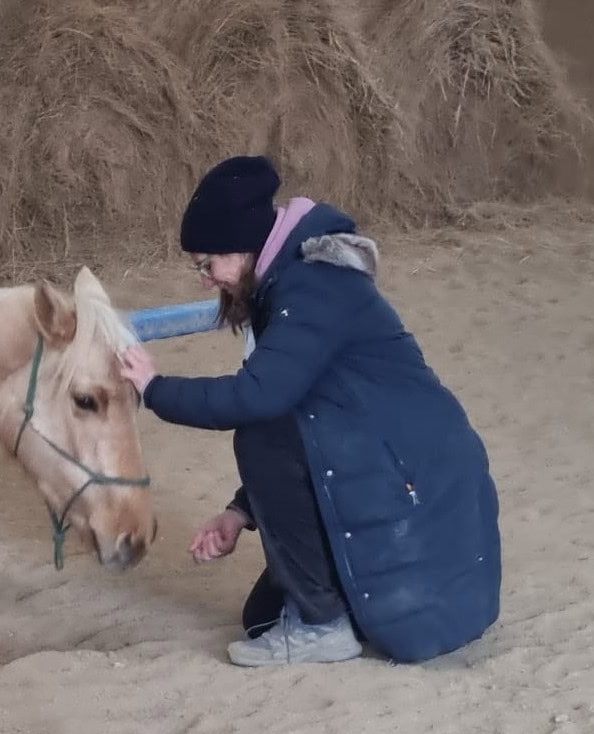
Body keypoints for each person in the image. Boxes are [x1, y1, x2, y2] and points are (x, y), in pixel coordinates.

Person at [117, 155, 502, 667]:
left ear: (247, 246)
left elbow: (259, 398)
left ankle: (322, 625)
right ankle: (324, 617)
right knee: (260, 617)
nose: (207, 280)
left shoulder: (312, 286)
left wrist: (155, 387)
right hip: (386, 460)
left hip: (412, 480)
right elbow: (304, 409)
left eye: (208, 264)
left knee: (260, 432)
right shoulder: (294, 282)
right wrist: (239, 513)